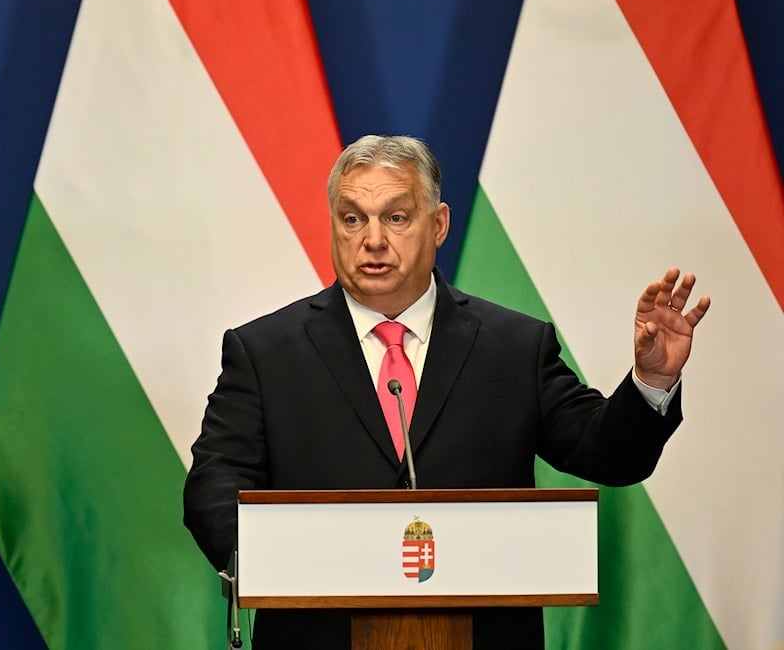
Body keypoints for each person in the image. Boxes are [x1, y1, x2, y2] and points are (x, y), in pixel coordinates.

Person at [182, 134, 710, 649]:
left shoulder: (514, 346)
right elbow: (214, 482)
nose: (372, 240)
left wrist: (652, 379)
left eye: (395, 217)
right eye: (352, 218)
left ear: (437, 225)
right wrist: (277, 559)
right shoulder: (265, 351)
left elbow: (608, 454)